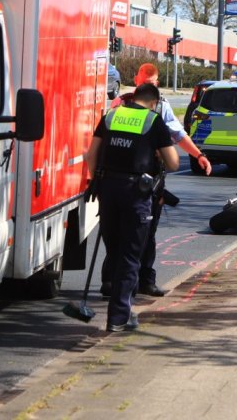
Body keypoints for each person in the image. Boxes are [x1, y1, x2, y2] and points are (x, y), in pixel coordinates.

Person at [101, 63, 212, 297]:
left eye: (151, 83)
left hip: (148, 180)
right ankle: (113, 283)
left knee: (146, 234)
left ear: (157, 84)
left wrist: (198, 155)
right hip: (124, 177)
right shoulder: (118, 104)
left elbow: (179, 136)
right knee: (117, 235)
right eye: (144, 81)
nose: (148, 86)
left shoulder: (162, 107)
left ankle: (143, 281)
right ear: (136, 78)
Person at [84, 83, 180, 332]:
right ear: (154, 102)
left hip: (108, 191)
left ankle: (120, 310)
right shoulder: (153, 120)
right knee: (130, 256)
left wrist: (98, 180)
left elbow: (90, 154)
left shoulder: (111, 115)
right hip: (136, 194)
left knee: (115, 251)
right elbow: (173, 163)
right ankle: (118, 318)